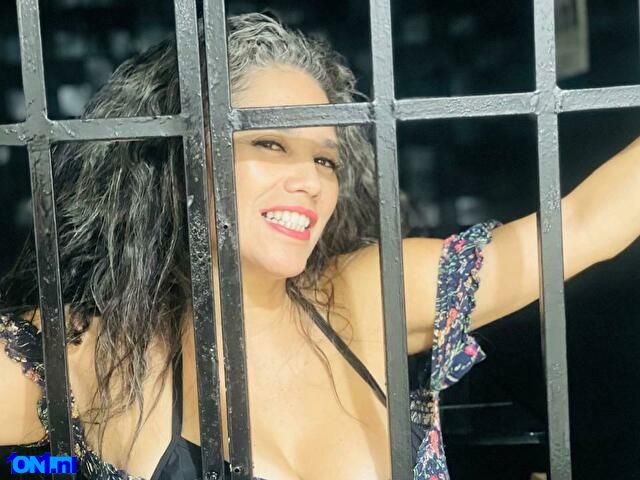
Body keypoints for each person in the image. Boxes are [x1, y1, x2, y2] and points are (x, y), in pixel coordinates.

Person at [0, 12, 638, 480]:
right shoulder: (87, 355)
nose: (309, 181)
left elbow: (581, 227)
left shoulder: (364, 298)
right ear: (181, 159)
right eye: (270, 143)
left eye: (325, 160)